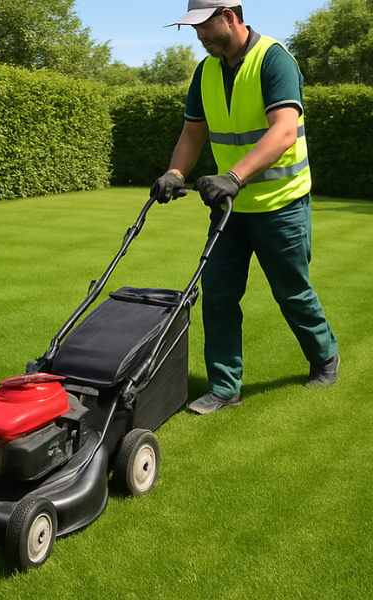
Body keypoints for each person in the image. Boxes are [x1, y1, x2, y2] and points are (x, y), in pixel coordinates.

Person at [150, 0, 339, 415]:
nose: (200, 37)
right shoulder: (206, 72)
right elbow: (192, 132)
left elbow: (285, 131)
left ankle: (325, 356)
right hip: (230, 210)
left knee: (292, 292)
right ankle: (225, 388)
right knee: (217, 295)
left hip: (280, 204)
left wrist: (234, 176)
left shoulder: (274, 60)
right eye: (194, 29)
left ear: (229, 16)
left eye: (204, 27)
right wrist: (176, 173)